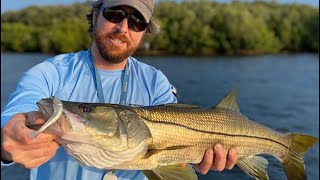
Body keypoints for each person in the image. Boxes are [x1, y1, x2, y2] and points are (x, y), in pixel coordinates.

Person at [1, 0, 238, 179]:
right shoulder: (49, 72)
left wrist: (192, 158)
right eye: (115, 14)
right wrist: (6, 143)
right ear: (95, 15)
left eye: (137, 21)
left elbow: (176, 162)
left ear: (145, 30)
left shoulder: (156, 82)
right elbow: (15, 117)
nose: (123, 27)